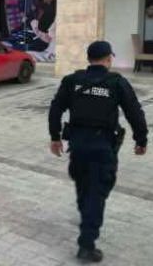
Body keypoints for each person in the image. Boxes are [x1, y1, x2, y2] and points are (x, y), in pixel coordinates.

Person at [48, 41, 148, 263]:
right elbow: (135, 112)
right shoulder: (116, 82)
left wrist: (55, 137)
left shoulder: (72, 80)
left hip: (78, 146)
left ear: (89, 59)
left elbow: (55, 108)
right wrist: (141, 140)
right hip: (102, 148)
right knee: (97, 193)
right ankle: (86, 245)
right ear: (108, 59)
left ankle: (87, 216)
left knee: (84, 186)